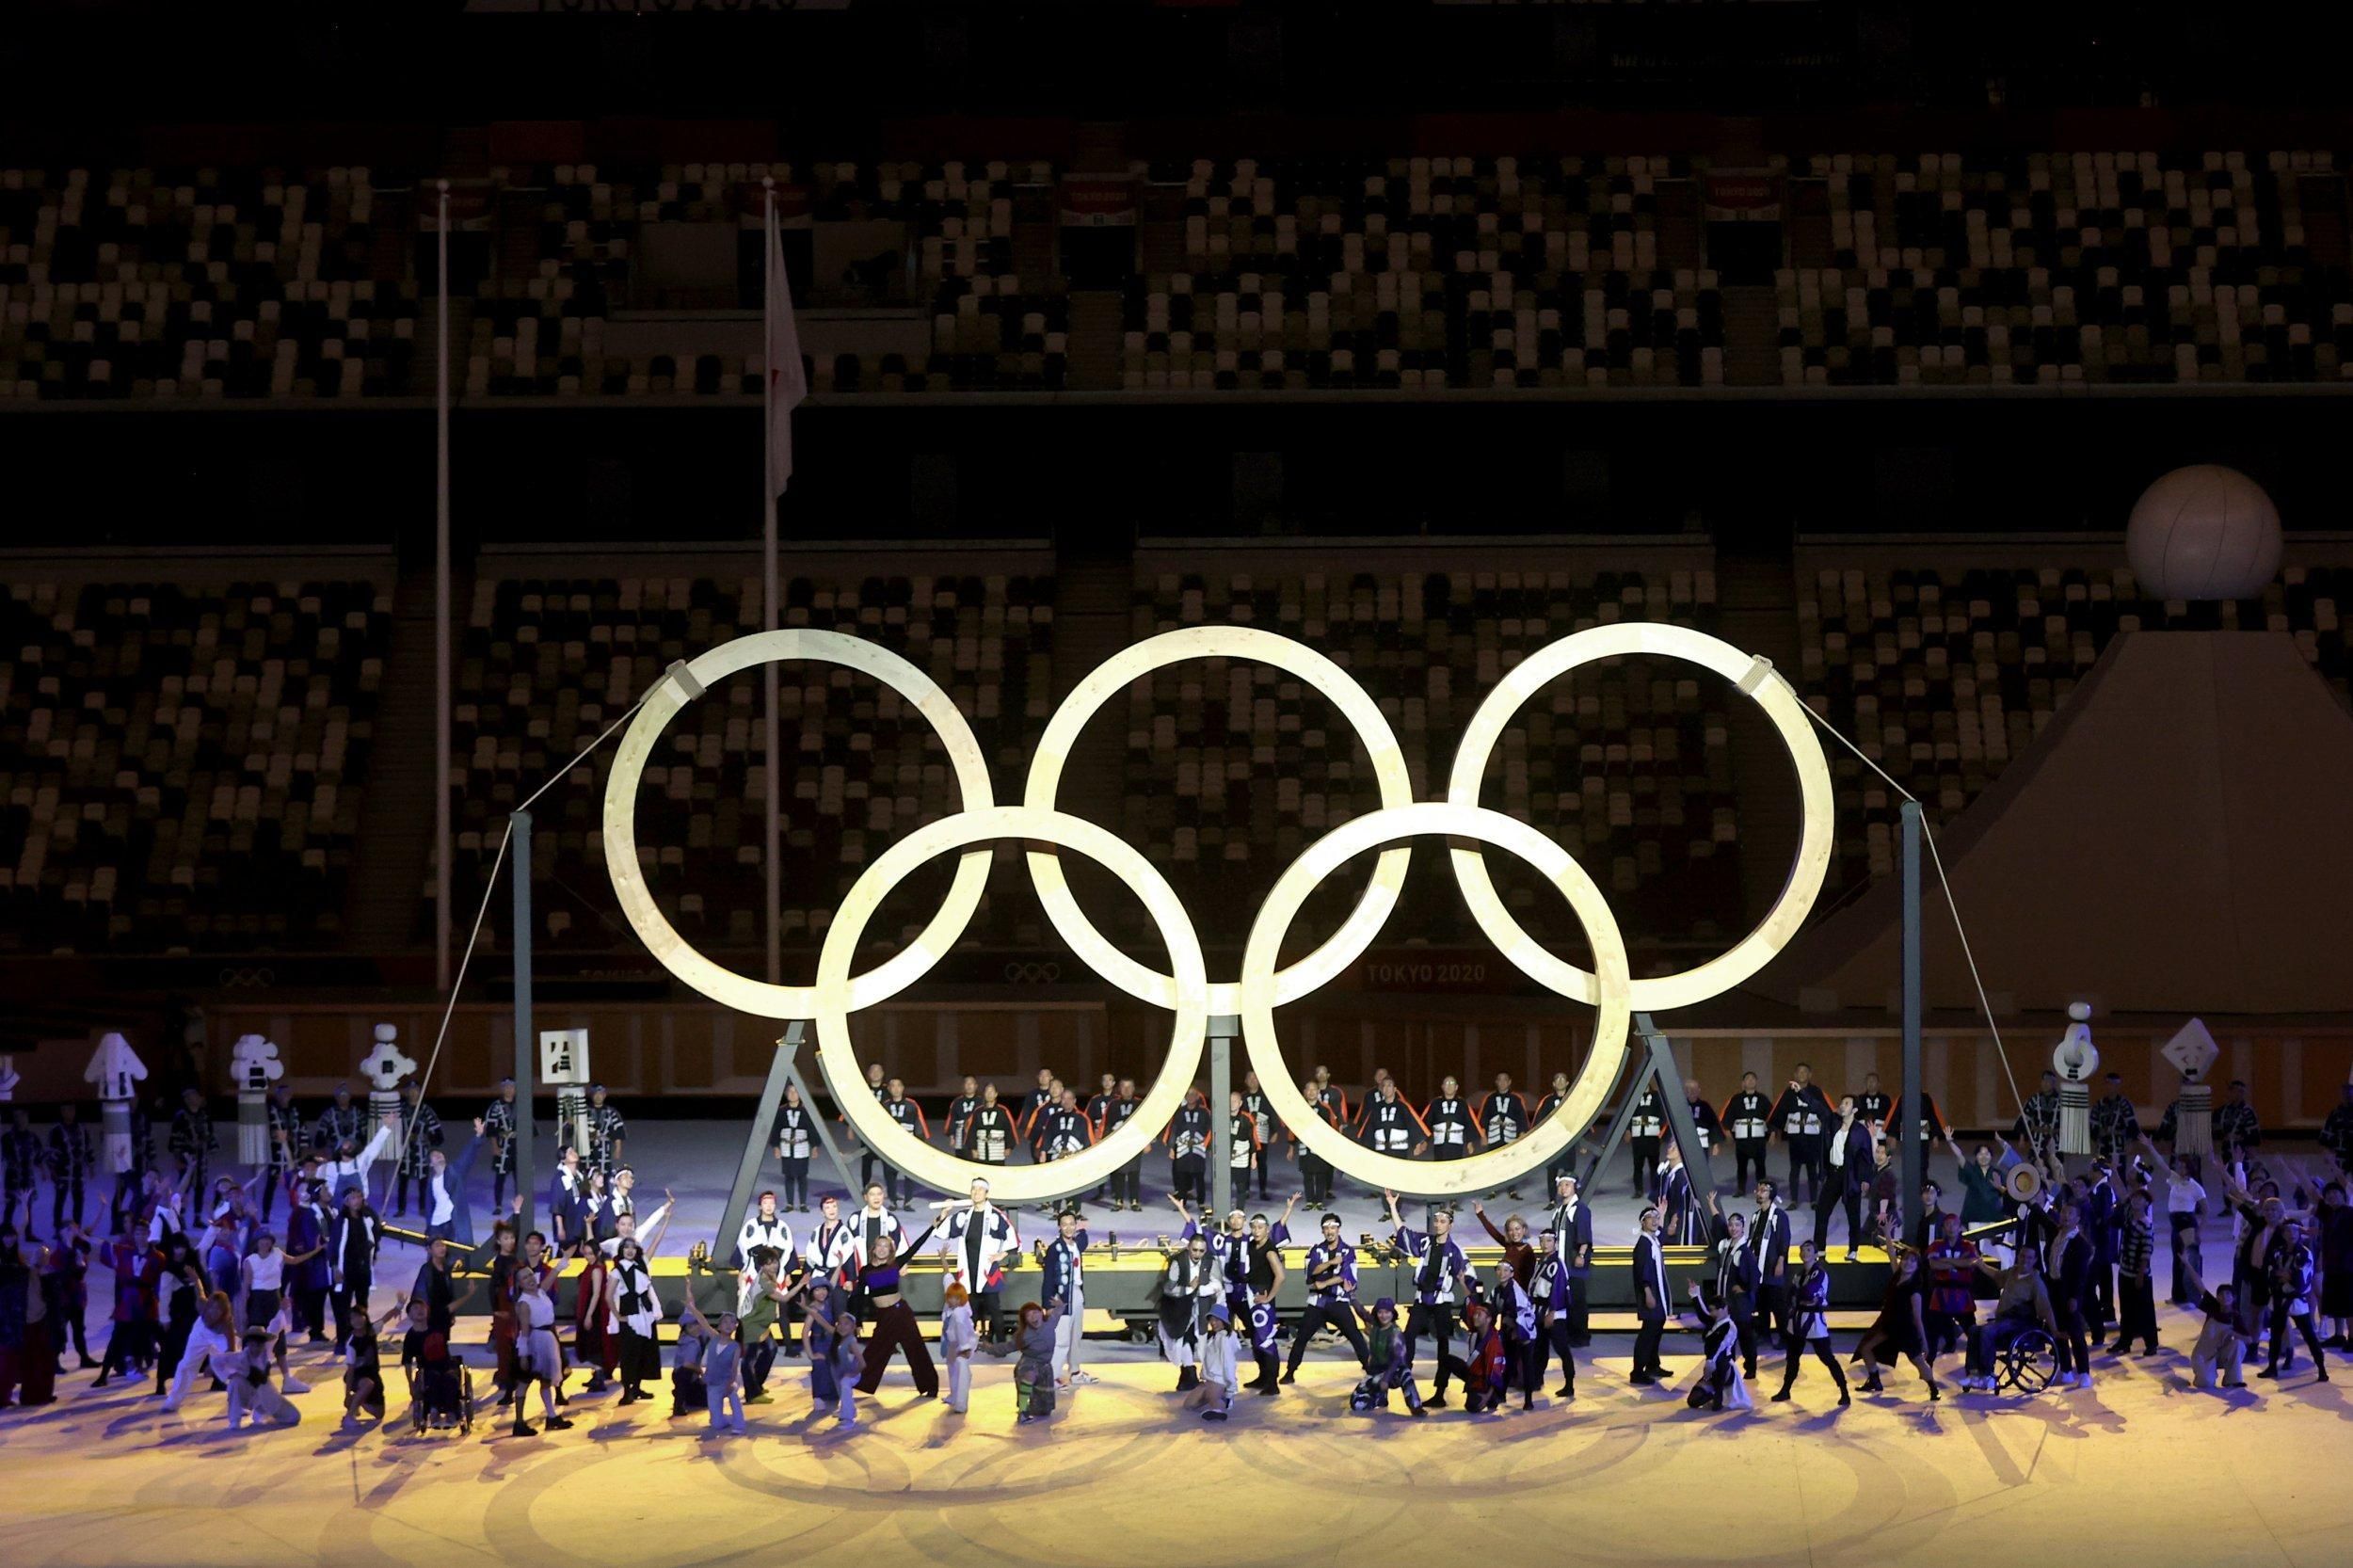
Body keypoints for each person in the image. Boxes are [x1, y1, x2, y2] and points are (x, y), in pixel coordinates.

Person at [1385, 1189, 1471, 1406]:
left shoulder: (1457, 1251)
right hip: (1422, 1299)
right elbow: (1402, 1231)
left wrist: (1468, 1295)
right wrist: (1393, 1206)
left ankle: (1440, 1392)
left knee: (1443, 1345)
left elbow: (1468, 1278)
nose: (1438, 1224)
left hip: (1442, 1301)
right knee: (1409, 1335)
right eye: (1437, 1220)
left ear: (1450, 1225)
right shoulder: (1425, 1242)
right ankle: (1405, 1372)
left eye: (1443, 1221)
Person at [852, 1220, 943, 1399]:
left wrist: (932, 1226)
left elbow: (915, 1246)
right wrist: (857, 1320)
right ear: (874, 1248)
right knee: (875, 1350)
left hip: (901, 1312)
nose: (882, 1249)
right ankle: (861, 1383)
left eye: (886, 1246)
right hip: (884, 1316)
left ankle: (930, 1386)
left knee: (915, 1349)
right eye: (880, 1246)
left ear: (890, 1250)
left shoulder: (896, 1264)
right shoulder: (865, 1271)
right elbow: (859, 1296)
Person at [1282, 1211, 1369, 1382]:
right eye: (1326, 1228)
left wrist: (1324, 1283)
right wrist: (1330, 1263)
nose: (1330, 1231)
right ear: (1322, 1231)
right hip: (1317, 1303)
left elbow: (1347, 1276)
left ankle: (1369, 1368)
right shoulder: (1316, 1250)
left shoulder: (1348, 1251)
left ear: (1338, 1229)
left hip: (1338, 1302)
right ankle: (1290, 1371)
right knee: (1302, 1337)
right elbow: (1311, 1273)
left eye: (1333, 1227)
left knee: (1355, 1336)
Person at [1960, 1247, 2059, 1393]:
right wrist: (1981, 1264)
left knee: (1987, 1331)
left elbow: (2045, 1308)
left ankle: (1988, 1375)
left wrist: (2054, 1330)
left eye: (2029, 1258)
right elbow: (1997, 1275)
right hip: (2004, 1320)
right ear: (2018, 1257)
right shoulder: (2013, 1272)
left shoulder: (2035, 1281)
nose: (2025, 1260)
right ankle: (1974, 1373)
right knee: (1974, 1330)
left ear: (2035, 1261)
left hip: (2020, 1322)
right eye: (2023, 1256)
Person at [1851, 1251, 1940, 1400]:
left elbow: (1917, 1317)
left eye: (1912, 1261)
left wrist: (1924, 1341)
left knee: (1918, 1362)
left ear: (1917, 1266)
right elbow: (1892, 1255)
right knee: (1866, 1349)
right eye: (1905, 1259)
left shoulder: (1915, 1289)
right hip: (1889, 1325)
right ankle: (1874, 1380)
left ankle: (1933, 1388)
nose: (1907, 1263)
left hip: (1905, 1330)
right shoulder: (1897, 1276)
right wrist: (1887, 1233)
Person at [1771, 1240, 1849, 1405]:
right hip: (1798, 1319)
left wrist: (1803, 1297)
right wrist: (1804, 1298)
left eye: (1809, 1250)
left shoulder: (1819, 1274)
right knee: (1792, 1358)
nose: (1805, 1253)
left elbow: (1807, 1293)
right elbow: (1794, 1296)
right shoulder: (1799, 1275)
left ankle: (1844, 1391)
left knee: (1827, 1357)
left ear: (1815, 1254)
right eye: (1802, 1250)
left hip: (1814, 1322)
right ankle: (1785, 1390)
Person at [938, 1179, 1019, 1339]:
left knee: (994, 1309)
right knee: (970, 1309)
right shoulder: (964, 1215)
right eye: (973, 1189)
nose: (976, 1192)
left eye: (980, 1190)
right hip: (969, 1270)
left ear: (987, 1194)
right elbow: (943, 1231)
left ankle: (1001, 1343)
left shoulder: (996, 1216)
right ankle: (968, 1343)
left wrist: (1001, 1255)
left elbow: (1013, 1240)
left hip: (988, 1271)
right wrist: (944, 1212)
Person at [2258, 1215, 2329, 1384]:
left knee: (2309, 1336)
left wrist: (2286, 1275)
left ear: (2300, 1233)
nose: (2291, 1234)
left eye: (2295, 1231)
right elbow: (2270, 1271)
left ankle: (2321, 1368)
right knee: (2275, 1336)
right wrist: (2285, 1275)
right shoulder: (2278, 1252)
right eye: (2288, 1231)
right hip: (2279, 1299)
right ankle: (2272, 1366)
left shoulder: (2305, 1253)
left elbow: (2302, 1276)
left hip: (2296, 1300)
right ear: (2282, 1233)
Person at [1700, 1190, 1760, 1379]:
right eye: (1731, 1225)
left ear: (1743, 1228)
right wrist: (1711, 1205)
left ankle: (1751, 1367)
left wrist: (1745, 1290)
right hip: (1727, 1304)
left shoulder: (1744, 1251)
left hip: (1739, 1305)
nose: (1733, 1228)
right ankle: (1730, 1366)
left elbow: (1755, 1275)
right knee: (1728, 1338)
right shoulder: (1725, 1245)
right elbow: (1718, 1224)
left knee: (1744, 1335)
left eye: (1737, 1225)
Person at [1924, 1212, 1989, 1381]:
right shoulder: (1936, 1245)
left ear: (1960, 1227)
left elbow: (1970, 1263)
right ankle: (1927, 1370)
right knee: (1932, 1334)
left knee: (1973, 1333)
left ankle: (1975, 1369)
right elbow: (1933, 1264)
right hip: (1941, 1295)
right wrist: (1958, 1264)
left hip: (1962, 1295)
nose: (1951, 1227)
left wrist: (1947, 1262)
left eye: (1954, 1224)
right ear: (1944, 1228)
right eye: (1948, 1224)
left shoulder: (1968, 1246)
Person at [1156, 1229, 1221, 1390]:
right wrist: (1189, 1289)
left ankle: (1192, 1374)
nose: (1197, 1254)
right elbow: (1169, 1288)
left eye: (1201, 1250)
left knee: (1198, 1339)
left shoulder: (1210, 1261)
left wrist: (1200, 1290)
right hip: (1179, 1307)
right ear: (1188, 1248)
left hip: (1201, 1308)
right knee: (1182, 1338)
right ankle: (1188, 1372)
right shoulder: (1178, 1262)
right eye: (1194, 1250)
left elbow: (1218, 1284)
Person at [985, 1297, 1065, 1423]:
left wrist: (1059, 1305)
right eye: (1028, 1315)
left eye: (1035, 1312)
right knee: (1030, 1375)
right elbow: (1005, 1348)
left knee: (1044, 1410)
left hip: (1045, 1367)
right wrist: (987, 1348)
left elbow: (1059, 1311)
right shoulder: (1024, 1335)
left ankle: (1035, 1405)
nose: (1033, 1317)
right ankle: (1023, 1412)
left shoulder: (1050, 1323)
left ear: (1041, 1313)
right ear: (1025, 1321)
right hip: (1028, 1364)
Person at [1037, 1208, 1093, 1386]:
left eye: (1071, 1224)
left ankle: (1075, 1372)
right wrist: (1047, 1303)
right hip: (1061, 1299)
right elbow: (1047, 1279)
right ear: (1059, 1227)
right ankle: (1051, 1377)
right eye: (1064, 1225)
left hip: (1076, 1294)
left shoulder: (1076, 1244)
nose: (1068, 1228)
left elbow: (1083, 1241)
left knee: (1076, 1336)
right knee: (1061, 1340)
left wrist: (1084, 1229)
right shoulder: (1055, 1249)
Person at [1814, 1096, 1874, 1256]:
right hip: (1834, 1174)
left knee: (1853, 1215)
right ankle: (1819, 1248)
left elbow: (1866, 1158)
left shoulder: (1861, 1132)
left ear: (1854, 1110)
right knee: (1822, 1211)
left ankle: (1853, 1249)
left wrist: (1866, 1179)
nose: (1842, 1105)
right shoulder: (1833, 1122)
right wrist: (1801, 1093)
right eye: (1842, 1102)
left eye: (1846, 1103)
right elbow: (1819, 1106)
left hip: (1851, 1177)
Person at [161, 1288, 238, 1414]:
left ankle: (238, 1402)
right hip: (200, 1332)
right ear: (208, 1307)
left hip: (219, 1338)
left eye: (218, 1309)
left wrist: (214, 1366)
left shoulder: (227, 1323)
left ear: (224, 1312)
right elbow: (199, 1289)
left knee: (234, 1366)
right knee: (187, 1364)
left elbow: (231, 1351)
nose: (214, 1312)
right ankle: (173, 1400)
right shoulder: (202, 1306)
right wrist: (195, 1277)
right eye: (212, 1307)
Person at [1349, 1296, 1427, 1417]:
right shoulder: (1374, 1324)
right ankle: (1380, 1398)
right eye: (1380, 1312)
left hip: (1393, 1373)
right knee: (1357, 1404)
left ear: (1392, 1313)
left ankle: (1416, 1406)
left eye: (1387, 1312)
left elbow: (1398, 1358)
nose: (1383, 1316)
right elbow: (1362, 1313)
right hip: (1376, 1373)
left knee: (1405, 1373)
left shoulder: (1395, 1333)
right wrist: (1352, 1297)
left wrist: (1386, 1378)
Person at [2182, 1266, 2253, 1392]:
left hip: (2221, 1353)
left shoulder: (2235, 1317)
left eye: (2228, 1294)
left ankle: (2233, 1379)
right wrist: (2187, 1262)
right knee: (2206, 1383)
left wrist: (2233, 1333)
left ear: (2233, 1297)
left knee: (2238, 1345)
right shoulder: (2213, 1306)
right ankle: (2205, 1372)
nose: (2224, 1297)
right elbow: (2199, 1284)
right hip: (2203, 1355)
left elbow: (2249, 1339)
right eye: (2221, 1294)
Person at [1683, 1281, 1752, 1412]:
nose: (1712, 1313)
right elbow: (1703, 1314)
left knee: (1716, 1399)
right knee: (1693, 1400)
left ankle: (1718, 1396)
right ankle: (1712, 1393)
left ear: (1724, 1309)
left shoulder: (1730, 1327)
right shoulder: (1715, 1320)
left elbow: (1721, 1345)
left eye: (1714, 1310)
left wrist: (1711, 1361)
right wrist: (1695, 1295)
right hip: (1712, 1367)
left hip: (1723, 1368)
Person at [328, 1184, 380, 1353]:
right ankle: (342, 1341)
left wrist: (373, 1252)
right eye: (354, 1198)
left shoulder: (367, 1216)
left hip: (363, 1268)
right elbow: (334, 1244)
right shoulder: (341, 1220)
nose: (358, 1200)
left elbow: (375, 1234)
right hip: (346, 1269)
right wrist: (335, 1266)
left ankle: (363, 1339)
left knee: (362, 1305)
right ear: (346, 1201)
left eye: (359, 1197)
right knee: (343, 1307)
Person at [1768, 1066, 1831, 1205]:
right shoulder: (1788, 1092)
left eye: (1805, 1072)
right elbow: (1780, 1112)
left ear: (1810, 1074)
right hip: (1795, 1137)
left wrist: (1827, 1129)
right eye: (1799, 1072)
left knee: (1812, 1169)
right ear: (1795, 1074)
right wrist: (1773, 1131)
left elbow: (1826, 1111)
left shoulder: (1816, 1092)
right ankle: (1794, 1200)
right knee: (1794, 1169)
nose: (1802, 1074)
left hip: (1812, 1136)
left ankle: (1814, 1200)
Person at [1545, 1173, 1595, 1347]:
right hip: (1561, 1264)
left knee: (1577, 1300)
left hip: (1574, 1263)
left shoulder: (1580, 1209)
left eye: (1567, 1185)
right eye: (1561, 1185)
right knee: (1565, 1299)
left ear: (1574, 1187)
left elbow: (1584, 1234)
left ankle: (1580, 1335)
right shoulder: (1559, 1211)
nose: (1563, 1188)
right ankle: (1566, 1332)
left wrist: (1581, 1254)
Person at [2111, 1187, 2162, 1357]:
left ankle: (2151, 1343)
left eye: (2140, 1198)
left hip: (2139, 1274)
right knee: (2126, 1309)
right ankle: (2125, 1341)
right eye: (2134, 1198)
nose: (2135, 1200)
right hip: (2124, 1271)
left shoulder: (2146, 1224)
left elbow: (2147, 1252)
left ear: (2146, 1203)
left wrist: (2141, 1274)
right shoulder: (2129, 1218)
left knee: (2145, 1309)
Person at [1628, 1202, 1672, 1386]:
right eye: (1650, 1218)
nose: (1655, 1221)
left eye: (1657, 1217)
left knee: (1656, 1330)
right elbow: (1641, 1271)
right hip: (1651, 1294)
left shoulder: (1652, 1240)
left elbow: (1663, 1236)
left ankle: (1653, 1365)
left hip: (1658, 1294)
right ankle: (1637, 1371)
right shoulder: (1644, 1245)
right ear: (1642, 1222)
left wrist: (1663, 1217)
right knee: (1648, 1333)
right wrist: (1648, 1293)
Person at [390, 1080, 443, 1221]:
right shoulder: (400, 1110)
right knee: (402, 1181)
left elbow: (436, 1132)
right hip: (405, 1152)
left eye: (416, 1090)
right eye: (410, 1090)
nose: (413, 1093)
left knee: (423, 1182)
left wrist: (427, 1138)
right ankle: (401, 1208)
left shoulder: (426, 1110)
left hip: (422, 1151)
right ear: (407, 1092)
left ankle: (423, 1207)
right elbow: (392, 1130)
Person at [1480, 1073, 1530, 1199]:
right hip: (1494, 1135)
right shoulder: (1490, 1099)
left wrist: (1522, 1133)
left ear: (1509, 1082)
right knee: (1493, 1163)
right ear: (1496, 1082)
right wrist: (1483, 1135)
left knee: (1511, 1163)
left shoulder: (1516, 1099)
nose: (1502, 1083)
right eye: (1499, 1080)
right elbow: (1484, 1117)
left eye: (1505, 1080)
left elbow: (1522, 1118)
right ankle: (1492, 1189)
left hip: (1510, 1136)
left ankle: (1512, 1189)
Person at [46, 1105, 94, 1237]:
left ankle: (76, 1228)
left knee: (79, 1200)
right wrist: (52, 1169)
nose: (70, 1112)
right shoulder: (56, 1130)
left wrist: (90, 1165)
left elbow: (88, 1147)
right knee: (60, 1200)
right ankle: (57, 1229)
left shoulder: (81, 1128)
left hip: (78, 1171)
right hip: (62, 1171)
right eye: (67, 1110)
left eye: (72, 1109)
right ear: (62, 1111)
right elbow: (51, 1150)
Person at [1722, 1072, 1773, 1195]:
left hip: (1758, 1138)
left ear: (1756, 1082)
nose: (1750, 1081)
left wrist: (1772, 1133)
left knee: (1760, 1166)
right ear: (1743, 1083)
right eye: (1747, 1079)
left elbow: (1771, 1117)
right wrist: (1728, 1132)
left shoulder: (1763, 1099)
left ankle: (1762, 1190)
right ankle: (1741, 1189)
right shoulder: (1736, 1099)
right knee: (1741, 1166)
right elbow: (1728, 1116)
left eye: (1753, 1079)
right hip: (1742, 1138)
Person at [1192, 1304, 1241, 1421]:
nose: (1213, 1323)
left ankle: (1220, 1407)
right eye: (1211, 1320)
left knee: (1214, 1400)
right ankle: (1218, 1398)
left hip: (1218, 1380)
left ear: (1224, 1321)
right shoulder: (1215, 1337)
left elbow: (1228, 1364)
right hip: (1208, 1379)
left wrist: (1230, 1389)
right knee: (1189, 1405)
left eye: (1217, 1319)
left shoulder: (1224, 1339)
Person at [772, 1084, 815, 1211]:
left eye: (796, 1091)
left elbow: (811, 1129)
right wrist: (776, 1146)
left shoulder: (806, 1111)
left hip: (802, 1146)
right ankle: (789, 1204)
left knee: (802, 1176)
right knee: (788, 1175)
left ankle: (803, 1204)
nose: (793, 1094)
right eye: (790, 1091)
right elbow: (776, 1130)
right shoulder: (781, 1111)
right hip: (786, 1147)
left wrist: (814, 1146)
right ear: (786, 1094)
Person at [1165, 1090, 1211, 1206]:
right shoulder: (1180, 1112)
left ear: (1197, 1096)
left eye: (1193, 1095)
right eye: (1188, 1095)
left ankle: (1201, 1202)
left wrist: (1209, 1146)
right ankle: (1182, 1201)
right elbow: (1174, 1130)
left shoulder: (1205, 1112)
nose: (1190, 1097)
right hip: (1182, 1147)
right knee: (1181, 1175)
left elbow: (1209, 1130)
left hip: (1198, 1147)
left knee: (1199, 1176)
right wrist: (1172, 1147)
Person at [940, 1282, 977, 1415]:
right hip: (952, 1344)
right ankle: (954, 1396)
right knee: (952, 1370)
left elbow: (962, 1330)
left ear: (961, 1299)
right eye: (950, 1297)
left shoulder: (960, 1313)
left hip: (963, 1343)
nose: (951, 1300)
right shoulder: (951, 1310)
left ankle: (961, 1403)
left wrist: (965, 1348)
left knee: (962, 1371)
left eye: (955, 1298)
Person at [584, 1083, 627, 1182]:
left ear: (604, 1095)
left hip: (604, 1148)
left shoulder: (611, 1112)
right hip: (587, 1148)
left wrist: (618, 1148)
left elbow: (617, 1130)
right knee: (587, 1172)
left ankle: (605, 1194)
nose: (598, 1096)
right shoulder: (585, 1111)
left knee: (605, 1172)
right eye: (596, 1094)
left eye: (601, 1094)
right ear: (592, 1095)